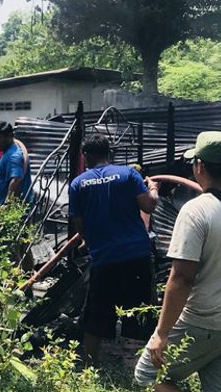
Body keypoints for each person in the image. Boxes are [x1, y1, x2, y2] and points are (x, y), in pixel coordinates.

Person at [134, 131, 221, 392]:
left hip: (202, 322)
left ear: (200, 166)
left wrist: (161, 334)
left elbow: (183, 278)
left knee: (146, 379)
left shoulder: (195, 211)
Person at [68, 134, 159, 365]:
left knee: (96, 313)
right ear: (109, 153)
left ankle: (89, 365)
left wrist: (95, 240)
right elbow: (148, 205)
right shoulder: (128, 174)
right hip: (136, 254)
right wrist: (154, 189)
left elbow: (79, 225)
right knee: (141, 310)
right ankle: (141, 366)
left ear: (87, 155)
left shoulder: (78, 184)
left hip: (104, 259)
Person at [0, 118, 33, 205]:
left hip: (11, 211)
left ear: (9, 137)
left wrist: (7, 203)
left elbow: (16, 180)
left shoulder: (13, 155)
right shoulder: (8, 152)